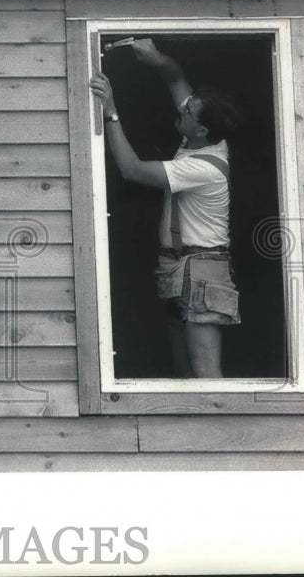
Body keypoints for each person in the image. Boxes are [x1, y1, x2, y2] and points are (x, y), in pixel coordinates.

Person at [89, 38, 242, 378]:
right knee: (184, 373)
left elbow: (131, 169)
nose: (181, 108)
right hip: (180, 268)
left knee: (206, 374)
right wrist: (156, 59)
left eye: (188, 111)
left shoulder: (204, 167)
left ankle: (221, 432)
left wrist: (111, 111)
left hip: (200, 271)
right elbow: (175, 78)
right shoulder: (202, 135)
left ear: (201, 128)